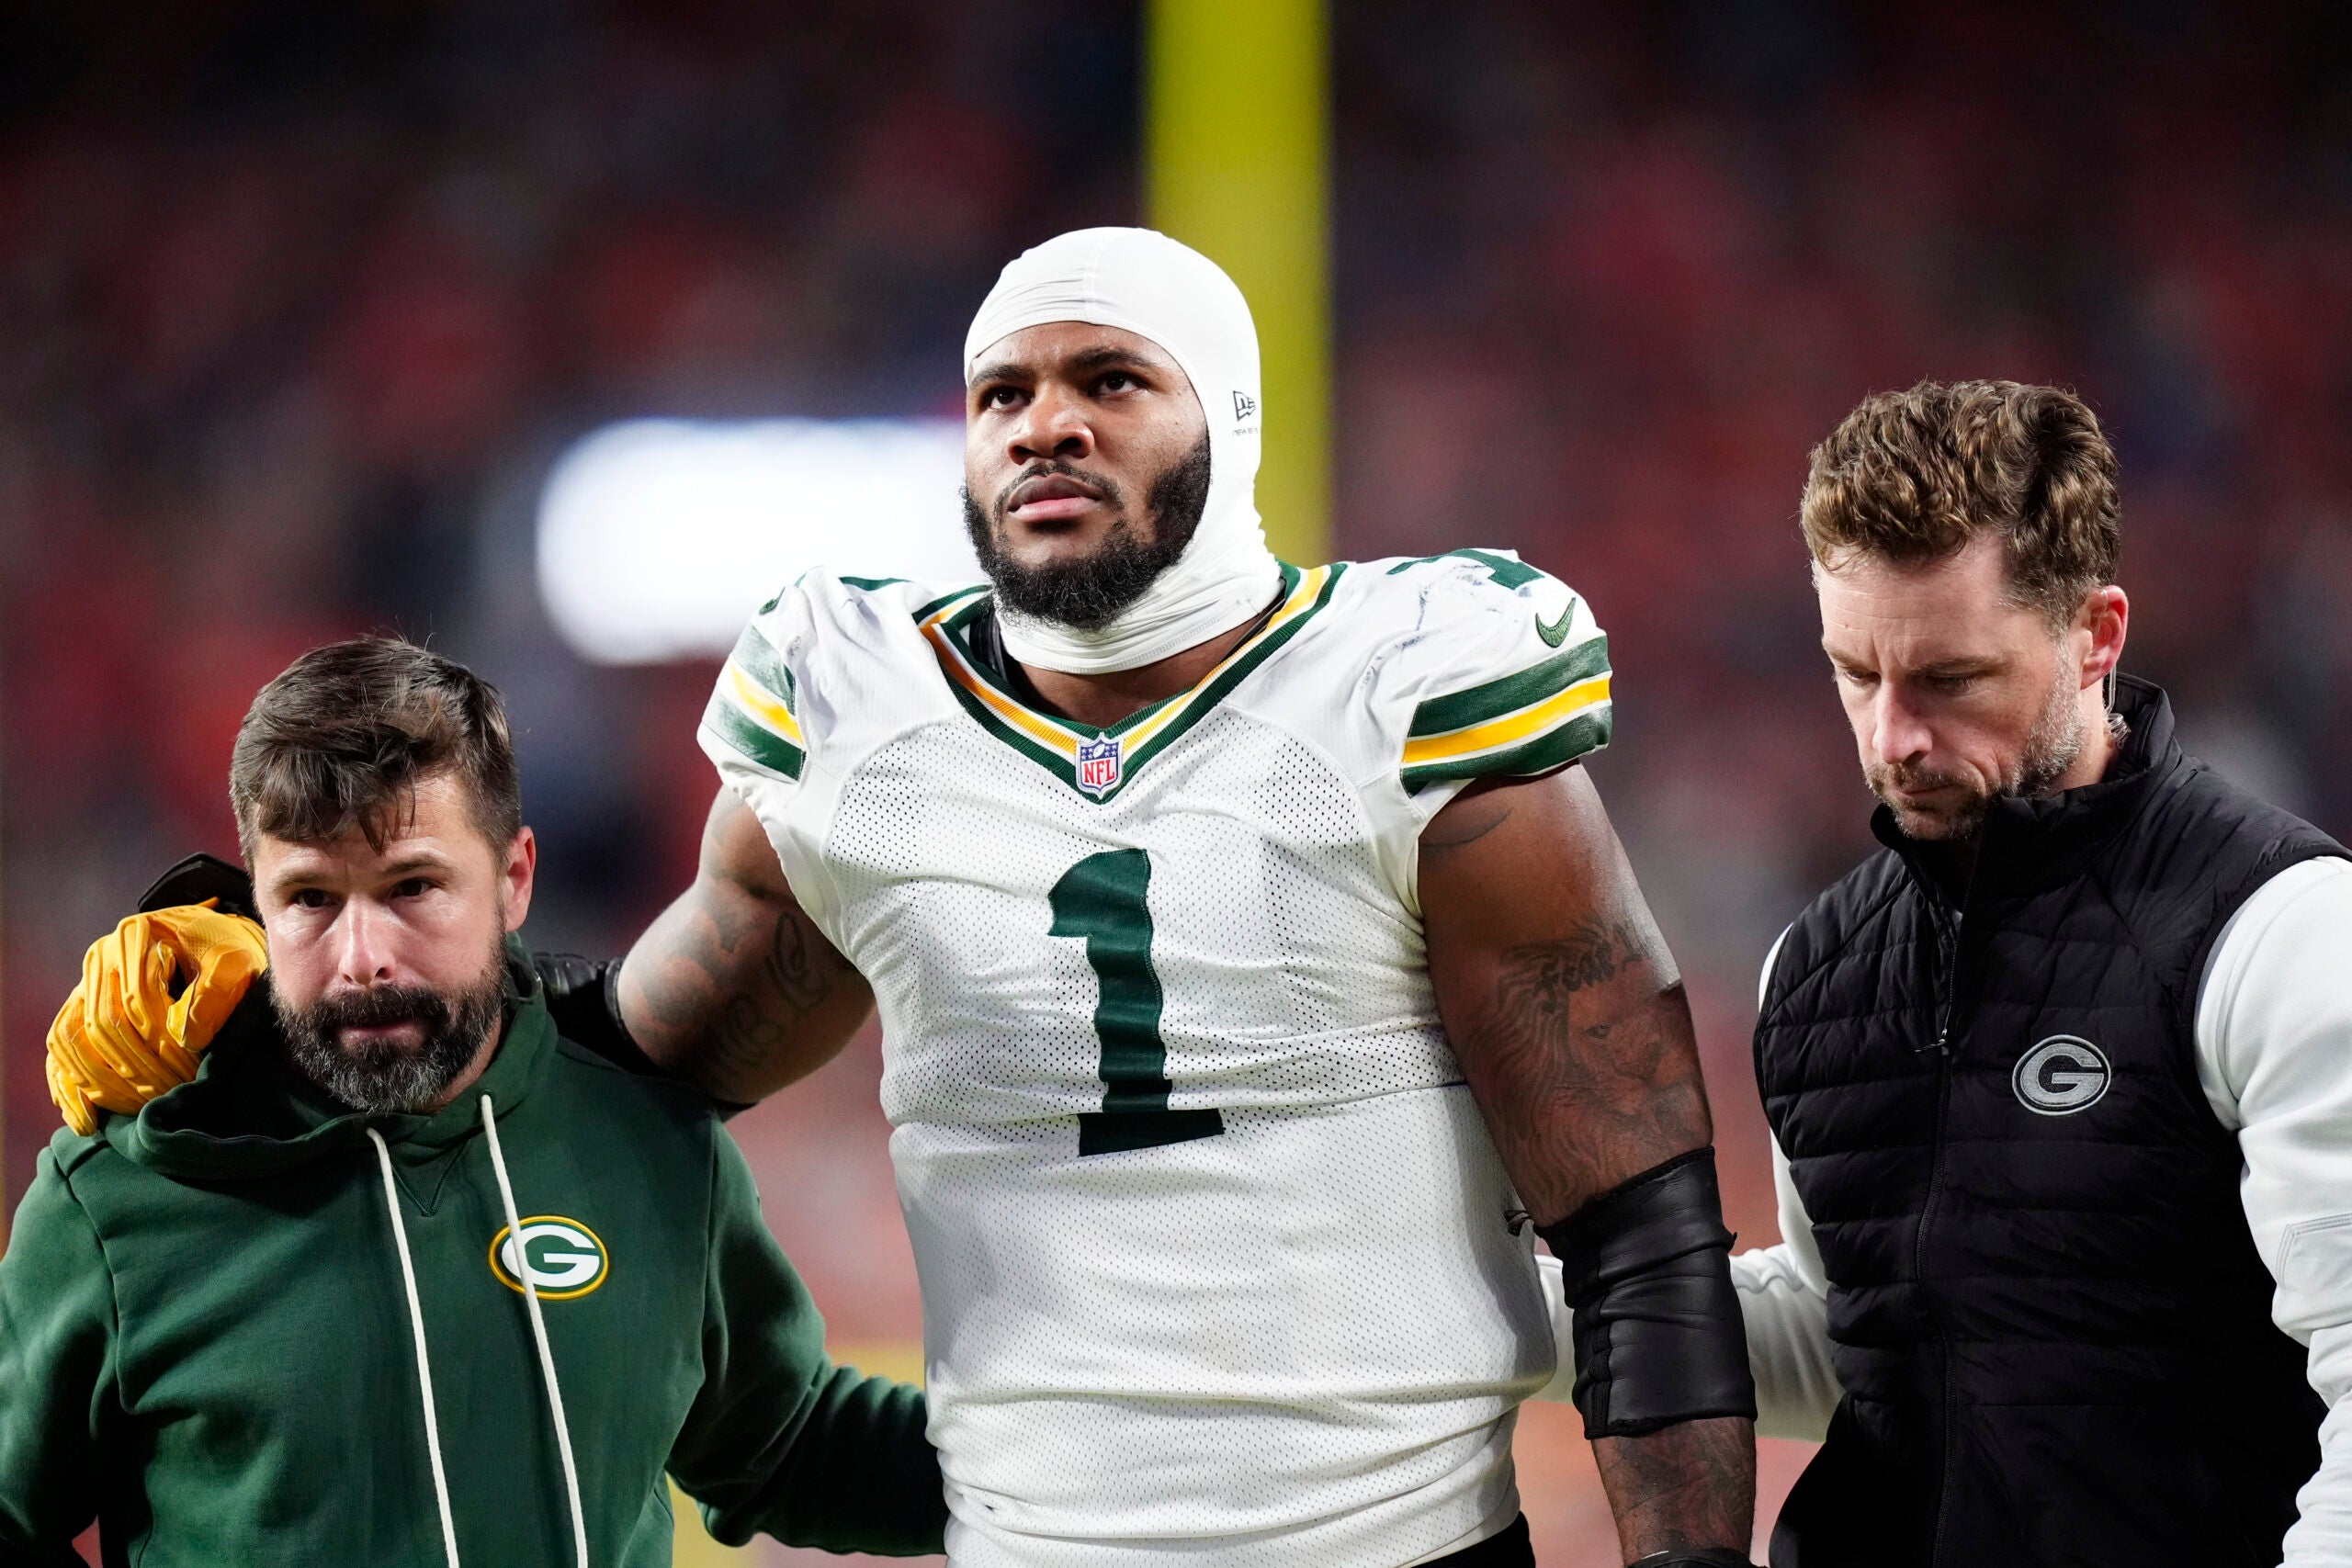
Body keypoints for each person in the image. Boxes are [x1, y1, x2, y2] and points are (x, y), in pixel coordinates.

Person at [43, 229, 1759, 1567]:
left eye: (1110, 378)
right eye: (1002, 389)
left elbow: (1640, 1220)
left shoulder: (1409, 684)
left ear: (1227, 424)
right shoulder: (860, 710)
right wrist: (269, 1002)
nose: (1046, 421)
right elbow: (611, 1065)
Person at [7, 638, 946, 1563]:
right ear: (254, 902)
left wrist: (1068, 1470)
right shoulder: (118, 1201)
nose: (362, 954)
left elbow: (784, 1445)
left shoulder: (649, 1139)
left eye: (413, 886)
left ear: (514, 879)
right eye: (310, 900)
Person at [1725, 380, 2352, 1567]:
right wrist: (1496, 1307)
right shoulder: (1810, 968)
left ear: (2096, 634)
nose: (1891, 736)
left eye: (1951, 679)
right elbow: (1864, 1342)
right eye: (1855, 671)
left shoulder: (2286, 930)